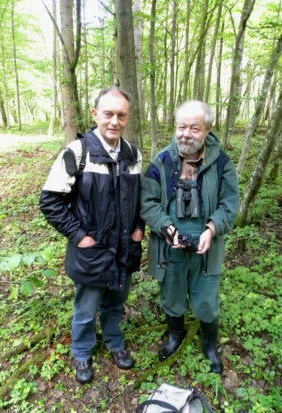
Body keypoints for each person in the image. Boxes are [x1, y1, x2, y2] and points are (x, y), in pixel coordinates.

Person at [40, 87, 144, 384]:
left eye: (121, 115)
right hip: (92, 249)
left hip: (124, 248)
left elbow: (138, 199)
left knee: (115, 301)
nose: (114, 121)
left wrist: (138, 230)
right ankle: (82, 350)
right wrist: (78, 235)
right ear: (95, 113)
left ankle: (114, 341)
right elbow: (50, 201)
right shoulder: (77, 152)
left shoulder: (132, 154)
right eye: (108, 113)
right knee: (86, 308)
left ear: (128, 118)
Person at [140, 100, 239, 374]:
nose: (186, 134)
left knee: (207, 300)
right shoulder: (161, 162)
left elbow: (230, 203)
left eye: (194, 128)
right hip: (169, 248)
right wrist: (166, 227)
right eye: (181, 127)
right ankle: (175, 335)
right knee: (171, 295)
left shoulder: (222, 163)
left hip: (207, 249)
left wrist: (212, 228)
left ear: (208, 129)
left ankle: (210, 344)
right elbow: (147, 202)